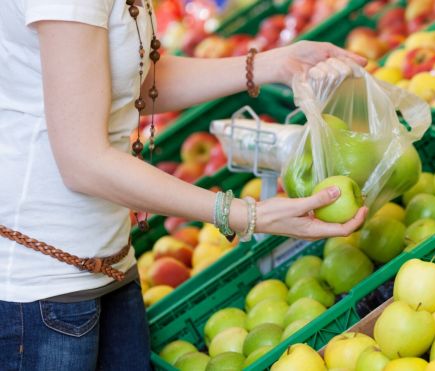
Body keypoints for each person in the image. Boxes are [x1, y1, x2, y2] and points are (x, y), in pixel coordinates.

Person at [0, 1, 367, 369]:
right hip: (43, 284)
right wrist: (242, 213)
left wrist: (273, 64)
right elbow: (83, 162)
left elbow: (134, 82)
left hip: (107, 258)